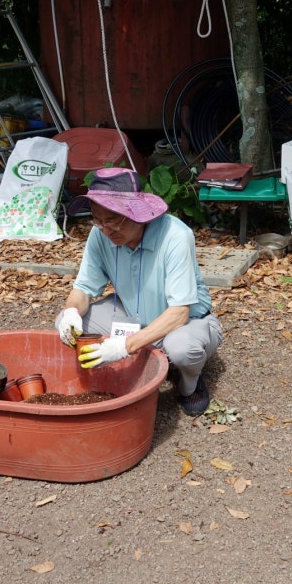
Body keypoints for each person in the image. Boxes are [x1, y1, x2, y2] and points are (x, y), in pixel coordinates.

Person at [56, 167, 223, 415]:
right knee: (67, 323)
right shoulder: (100, 234)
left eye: (113, 221)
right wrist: (71, 312)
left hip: (185, 322)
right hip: (132, 316)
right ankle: (119, 370)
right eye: (98, 220)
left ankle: (189, 383)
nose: (105, 230)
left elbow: (179, 313)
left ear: (137, 213)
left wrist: (123, 347)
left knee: (183, 350)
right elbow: (83, 289)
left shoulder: (176, 236)